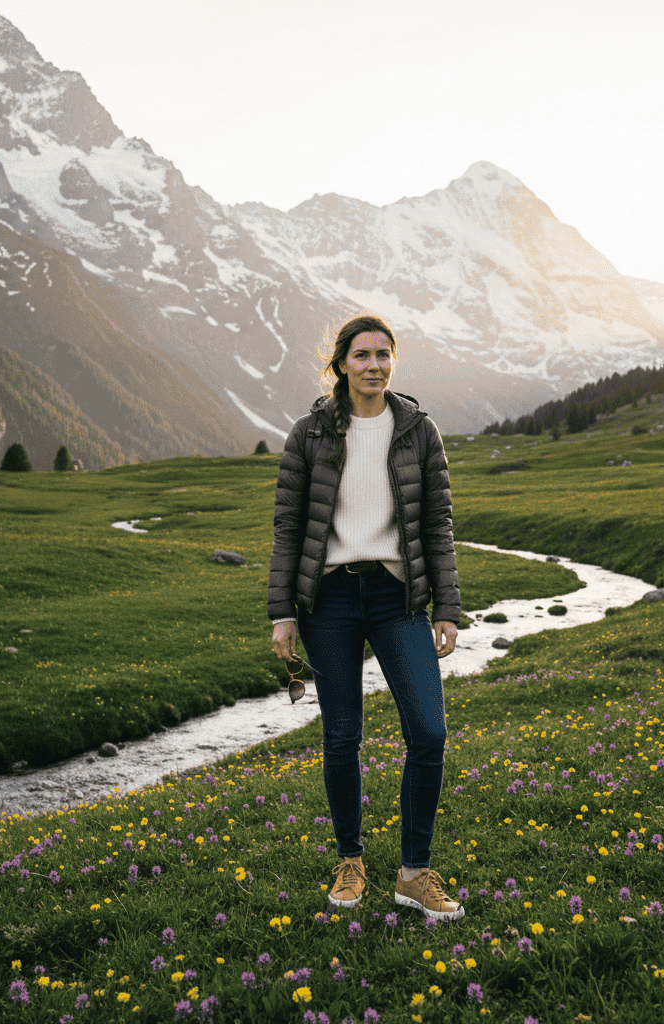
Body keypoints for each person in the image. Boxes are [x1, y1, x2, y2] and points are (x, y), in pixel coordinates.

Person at [268, 314, 464, 921]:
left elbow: (437, 525)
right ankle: (350, 859)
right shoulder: (311, 432)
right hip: (328, 599)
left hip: (396, 596)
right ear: (341, 364)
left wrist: (448, 609)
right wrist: (282, 613)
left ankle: (412, 872)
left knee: (428, 733)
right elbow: (288, 528)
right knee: (342, 737)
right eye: (362, 355)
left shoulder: (419, 431)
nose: (374, 365)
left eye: (384, 354)